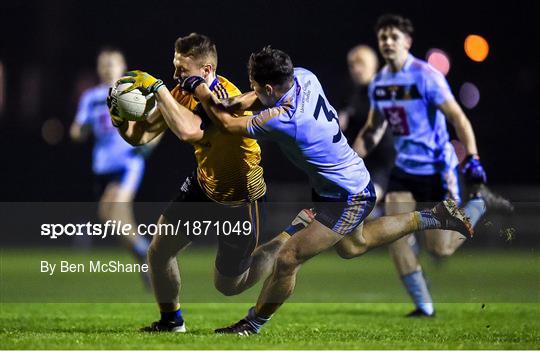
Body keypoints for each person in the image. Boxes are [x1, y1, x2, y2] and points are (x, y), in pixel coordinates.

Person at [125, 46, 476, 335]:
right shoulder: (304, 75)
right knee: (355, 246)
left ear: (267, 89)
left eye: (255, 87)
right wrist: (240, 99)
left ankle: (253, 323)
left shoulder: (287, 121)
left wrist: (199, 88)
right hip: (339, 182)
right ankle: (432, 216)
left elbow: (229, 126)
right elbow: (254, 97)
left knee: (290, 258)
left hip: (350, 195)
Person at [109, 33, 307, 333]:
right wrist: (121, 118)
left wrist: (159, 90)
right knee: (158, 251)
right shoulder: (178, 91)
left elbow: (191, 132)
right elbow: (142, 136)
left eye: (182, 69)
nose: (175, 74)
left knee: (228, 285)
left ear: (206, 71)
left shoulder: (226, 100)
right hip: (204, 186)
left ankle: (281, 241)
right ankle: (171, 321)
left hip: (240, 197)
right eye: (174, 66)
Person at [353, 14, 512, 317]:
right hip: (403, 171)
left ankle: (479, 204)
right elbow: (372, 131)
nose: (387, 41)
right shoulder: (380, 83)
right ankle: (424, 306)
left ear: (407, 42)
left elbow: (458, 118)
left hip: (436, 170)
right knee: (394, 236)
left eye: (393, 36)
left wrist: (474, 158)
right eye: (382, 37)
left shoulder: (425, 75)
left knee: (440, 248)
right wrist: (347, 163)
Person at [70, 48, 153, 287]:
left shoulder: (131, 92)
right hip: (102, 166)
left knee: (116, 213)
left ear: (122, 67)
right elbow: (76, 130)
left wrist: (147, 145)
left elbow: (156, 123)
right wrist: (81, 130)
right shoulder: (91, 97)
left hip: (128, 163)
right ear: (98, 69)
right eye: (103, 64)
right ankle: (145, 254)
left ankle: (149, 257)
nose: (108, 68)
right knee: (110, 218)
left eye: (112, 64)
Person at [339, 45, 394, 207]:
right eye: (352, 65)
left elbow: (374, 133)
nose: (356, 69)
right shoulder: (350, 96)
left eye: (361, 63)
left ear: (374, 65)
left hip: (385, 167)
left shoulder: (383, 92)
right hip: (361, 165)